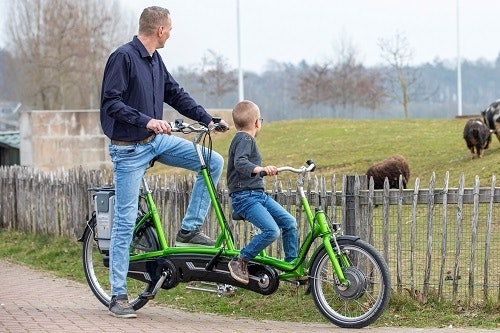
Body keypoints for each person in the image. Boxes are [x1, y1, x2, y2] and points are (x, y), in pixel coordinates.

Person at [100, 6, 228, 318]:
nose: (170, 34)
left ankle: (189, 229)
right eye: (169, 29)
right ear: (159, 30)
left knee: (212, 162)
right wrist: (148, 121)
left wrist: (207, 119)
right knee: (125, 222)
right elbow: (111, 103)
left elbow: (175, 93)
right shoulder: (123, 57)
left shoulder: (155, 60)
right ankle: (117, 295)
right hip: (128, 149)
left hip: (155, 142)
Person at [226, 100, 298, 285]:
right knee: (272, 231)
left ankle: (292, 266)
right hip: (245, 197)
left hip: (257, 196)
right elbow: (240, 163)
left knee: (289, 223)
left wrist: (262, 170)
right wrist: (261, 169)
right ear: (258, 122)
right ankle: (240, 260)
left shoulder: (243, 139)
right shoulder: (245, 138)